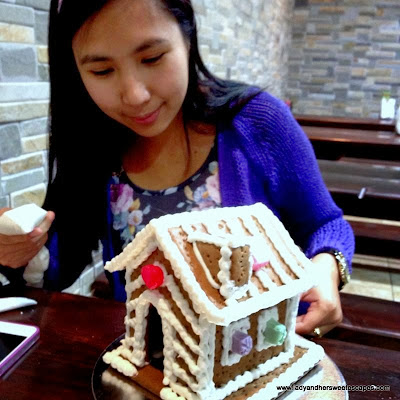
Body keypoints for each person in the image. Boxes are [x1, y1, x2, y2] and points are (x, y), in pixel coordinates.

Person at [0, 0, 354, 337]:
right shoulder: (97, 148)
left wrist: (326, 268)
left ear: (187, 37)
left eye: (152, 58)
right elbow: (57, 268)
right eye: (102, 70)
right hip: (152, 367)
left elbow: (326, 224)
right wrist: (19, 249)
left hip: (254, 354)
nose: (135, 95)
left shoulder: (256, 122)